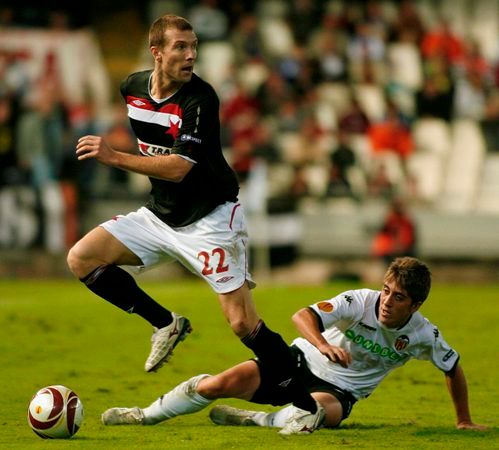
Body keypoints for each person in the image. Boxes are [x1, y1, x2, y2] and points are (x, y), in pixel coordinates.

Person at [66, 14, 322, 434]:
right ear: (157, 53)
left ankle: (306, 404)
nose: (190, 55)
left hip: (211, 219)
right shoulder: (131, 86)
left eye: (194, 47)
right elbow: (155, 146)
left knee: (242, 323)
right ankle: (165, 322)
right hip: (160, 214)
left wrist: (115, 157)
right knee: (82, 258)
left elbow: (180, 168)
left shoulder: (200, 98)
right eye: (180, 47)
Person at [101, 257, 486, 434]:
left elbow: (452, 367)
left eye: (398, 297)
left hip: (341, 391)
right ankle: (144, 415)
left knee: (315, 413)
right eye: (386, 290)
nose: (387, 301)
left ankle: (256, 419)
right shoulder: (359, 301)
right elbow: (303, 315)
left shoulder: (423, 335)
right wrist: (323, 344)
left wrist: (463, 419)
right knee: (215, 385)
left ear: (415, 305)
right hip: (297, 360)